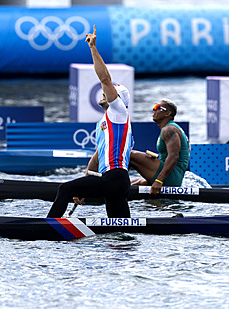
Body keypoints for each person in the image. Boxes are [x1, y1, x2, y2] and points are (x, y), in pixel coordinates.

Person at [47, 26, 133, 218]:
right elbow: (97, 157)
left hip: (114, 178)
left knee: (64, 189)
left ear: (119, 100)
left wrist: (93, 47)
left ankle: (48, 228)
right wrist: (85, 183)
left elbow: (104, 78)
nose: (105, 92)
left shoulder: (118, 112)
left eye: (110, 91)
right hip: (117, 182)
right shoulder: (108, 122)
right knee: (120, 235)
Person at [129, 99, 190, 195]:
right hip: (171, 175)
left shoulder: (169, 129)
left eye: (158, 108)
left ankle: (109, 181)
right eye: (154, 107)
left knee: (129, 155)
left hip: (172, 177)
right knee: (135, 183)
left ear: (168, 113)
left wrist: (159, 180)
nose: (154, 110)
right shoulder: (169, 128)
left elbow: (174, 157)